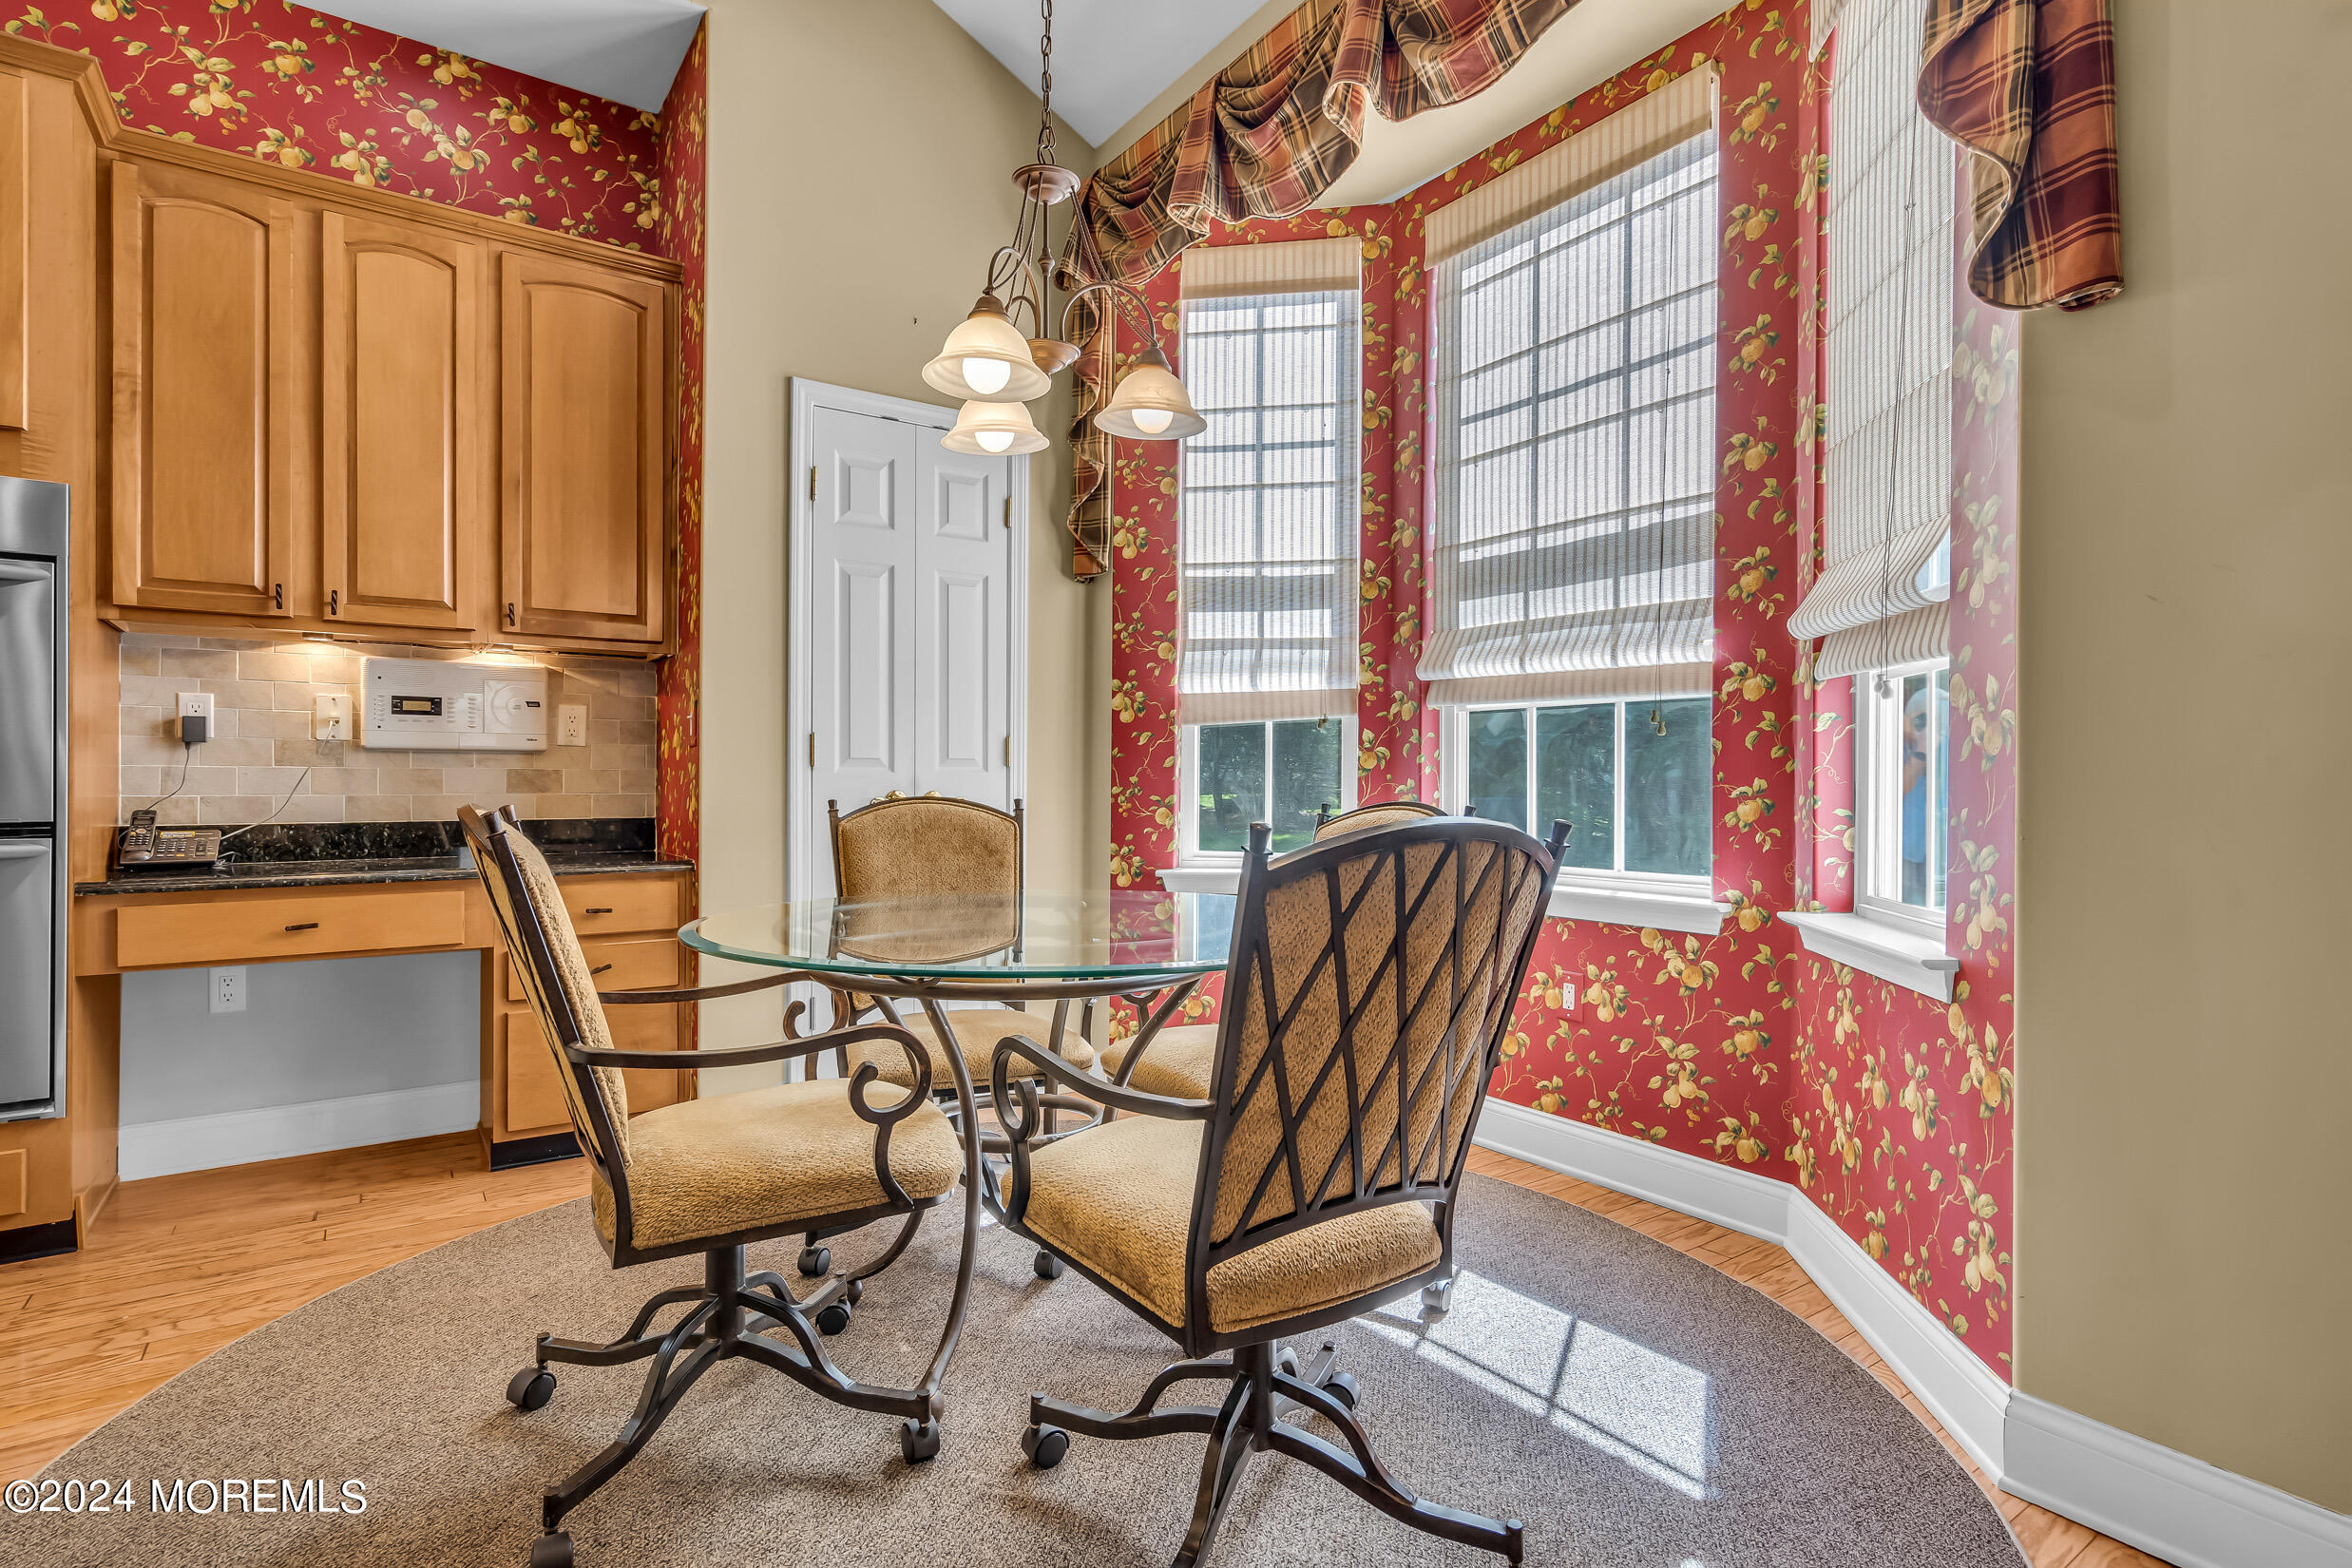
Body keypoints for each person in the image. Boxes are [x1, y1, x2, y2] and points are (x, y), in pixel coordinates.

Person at [1900, 683, 1931, 906]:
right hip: (1904, 846)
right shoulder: (1898, 745)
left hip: (1927, 843)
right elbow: (1898, 788)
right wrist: (1921, 753)